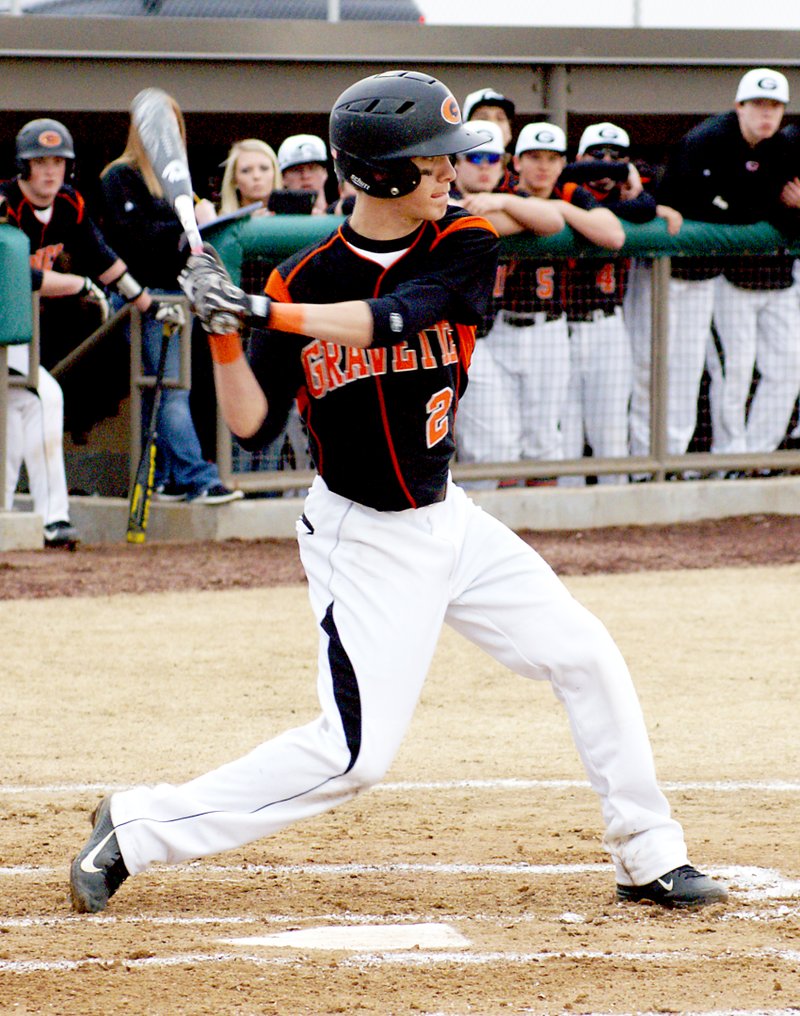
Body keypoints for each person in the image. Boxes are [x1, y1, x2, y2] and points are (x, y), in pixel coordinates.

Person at [69, 69, 726, 916]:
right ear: (380, 174)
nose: (454, 175)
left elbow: (399, 314)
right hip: (362, 536)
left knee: (586, 654)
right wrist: (227, 338)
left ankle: (649, 855)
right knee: (354, 758)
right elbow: (251, 428)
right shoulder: (295, 279)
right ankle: (136, 824)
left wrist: (263, 315)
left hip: (448, 518)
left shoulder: (462, 246)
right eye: (434, 163)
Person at [0, 118, 156, 545]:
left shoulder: (69, 204)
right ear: (23, 167)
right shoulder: (3, 203)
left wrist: (146, 303)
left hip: (11, 339)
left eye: (58, 161)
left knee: (17, 417)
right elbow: (17, 276)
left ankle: (19, 518)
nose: (49, 170)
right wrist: (80, 285)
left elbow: (101, 255)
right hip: (3, 332)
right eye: (40, 162)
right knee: (44, 396)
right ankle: (51, 519)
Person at [457, 122, 624, 474]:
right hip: (491, 330)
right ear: (516, 163)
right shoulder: (470, 193)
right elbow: (483, 218)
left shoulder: (564, 193)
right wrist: (524, 211)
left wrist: (513, 205)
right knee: (496, 443)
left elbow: (610, 233)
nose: (543, 166)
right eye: (534, 157)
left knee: (544, 440)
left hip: (547, 328)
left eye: (551, 158)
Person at [99, 93, 243, 504]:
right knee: (169, 391)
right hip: (143, 297)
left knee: (160, 391)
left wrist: (202, 219)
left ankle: (163, 478)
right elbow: (135, 237)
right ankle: (199, 478)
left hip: (179, 296)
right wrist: (184, 224)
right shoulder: (119, 175)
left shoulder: (179, 182)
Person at [656, 67, 800, 459]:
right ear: (739, 106)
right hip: (703, 276)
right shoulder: (706, 140)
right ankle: (729, 455)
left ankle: (757, 454)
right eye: (757, 105)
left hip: (773, 277)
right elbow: (676, 201)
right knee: (728, 371)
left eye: (774, 106)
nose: (765, 114)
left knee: (788, 367)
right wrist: (764, 207)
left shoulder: (784, 146)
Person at [558, 122, 657, 486]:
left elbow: (648, 207)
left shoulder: (632, 201)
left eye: (616, 157)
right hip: (560, 326)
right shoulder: (564, 188)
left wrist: (631, 184)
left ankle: (615, 517)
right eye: (597, 155)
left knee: (611, 429)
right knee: (564, 432)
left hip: (607, 325)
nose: (605, 165)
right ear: (581, 157)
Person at [463, 87, 518, 192]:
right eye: (483, 118)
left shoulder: (521, 182)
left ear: (509, 132)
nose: (493, 124)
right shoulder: (446, 179)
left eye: (500, 118)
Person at [217, 137, 281, 216]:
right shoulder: (223, 225)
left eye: (264, 168)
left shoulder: (292, 218)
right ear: (234, 179)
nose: (256, 176)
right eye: (246, 170)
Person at [276, 133, 330, 215]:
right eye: (296, 170)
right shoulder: (271, 221)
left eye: (313, 168)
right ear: (283, 177)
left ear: (325, 173)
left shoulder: (346, 217)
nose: (305, 176)